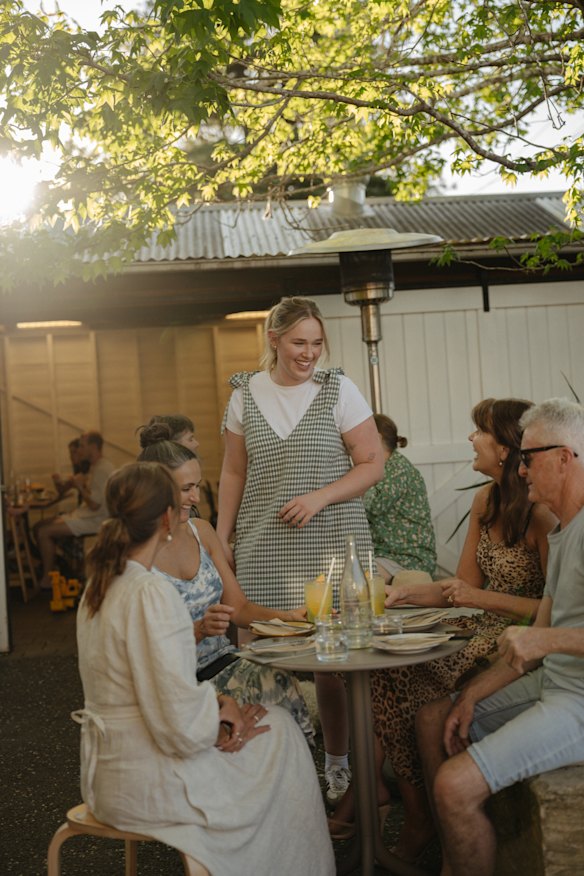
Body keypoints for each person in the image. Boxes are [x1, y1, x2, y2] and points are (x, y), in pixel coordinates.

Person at [73, 461, 335, 876]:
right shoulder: (151, 593)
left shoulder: (100, 585)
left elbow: (154, 692)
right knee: (282, 732)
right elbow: (178, 724)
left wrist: (219, 706)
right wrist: (222, 720)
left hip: (106, 773)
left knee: (269, 728)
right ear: (165, 518)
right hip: (146, 782)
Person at [330, 398, 556, 853]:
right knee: (386, 677)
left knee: (407, 685)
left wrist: (480, 600)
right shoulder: (485, 500)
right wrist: (403, 595)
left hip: (512, 643)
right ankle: (421, 812)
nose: (471, 439)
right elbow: (463, 584)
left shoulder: (542, 515)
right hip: (475, 627)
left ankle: (421, 819)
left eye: (480, 432)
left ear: (508, 449)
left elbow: (550, 613)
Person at [216, 295, 384, 805]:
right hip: (263, 543)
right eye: (298, 342)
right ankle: (259, 771)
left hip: (332, 543)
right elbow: (233, 472)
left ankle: (338, 769)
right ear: (274, 340)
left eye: (316, 343)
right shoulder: (245, 393)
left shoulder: (340, 390)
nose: (309, 353)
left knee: (332, 663)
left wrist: (320, 496)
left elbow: (373, 463)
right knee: (259, 659)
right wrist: (223, 537)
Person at [416, 397, 584, 876]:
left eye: (528, 458)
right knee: (444, 717)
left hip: (578, 703)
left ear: (564, 458)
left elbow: (545, 638)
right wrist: (472, 695)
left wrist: (546, 642)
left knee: (452, 785)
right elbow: (547, 627)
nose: (522, 471)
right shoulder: (566, 530)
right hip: (552, 684)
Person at [138, 424, 314, 743]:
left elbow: (239, 608)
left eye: (197, 486)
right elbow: (141, 648)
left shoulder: (201, 531)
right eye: (186, 488)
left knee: (276, 677)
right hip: (173, 684)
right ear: (157, 489)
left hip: (222, 665)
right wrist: (198, 630)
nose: (195, 497)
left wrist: (289, 618)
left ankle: (290, 769)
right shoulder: (137, 553)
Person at [34, 431, 115, 588]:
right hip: (87, 515)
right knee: (41, 527)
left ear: (93, 447)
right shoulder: (95, 466)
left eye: (82, 446)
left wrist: (79, 486)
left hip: (97, 520)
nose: (79, 450)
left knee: (43, 531)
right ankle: (54, 570)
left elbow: (94, 505)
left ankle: (47, 579)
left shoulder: (103, 469)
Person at [363, 413, 436, 581]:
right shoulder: (385, 467)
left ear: (376, 438)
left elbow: (374, 505)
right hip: (386, 554)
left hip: (407, 557)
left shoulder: (397, 469)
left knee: (360, 580)